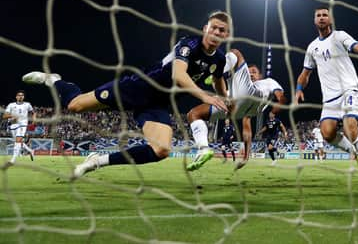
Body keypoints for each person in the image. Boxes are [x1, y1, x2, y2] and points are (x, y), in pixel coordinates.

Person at [22, 11, 231, 177]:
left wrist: (227, 99)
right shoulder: (188, 45)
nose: (217, 32)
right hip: (136, 88)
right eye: (214, 28)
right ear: (205, 29)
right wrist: (205, 96)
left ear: (226, 35)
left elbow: (218, 79)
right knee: (75, 106)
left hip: (157, 104)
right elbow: (178, 74)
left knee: (161, 150)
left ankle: (96, 161)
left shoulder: (219, 59)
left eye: (222, 30)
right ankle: (54, 80)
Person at [295, 6, 358, 189]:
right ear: (314, 20)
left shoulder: (339, 36)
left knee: (351, 129)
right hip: (330, 98)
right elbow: (305, 73)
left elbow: (354, 45)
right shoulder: (312, 48)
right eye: (318, 15)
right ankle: (355, 152)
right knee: (327, 133)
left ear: (330, 19)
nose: (321, 18)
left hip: (348, 89)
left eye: (325, 15)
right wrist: (298, 89)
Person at [186, 52, 287, 171]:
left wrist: (277, 107)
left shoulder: (268, 81)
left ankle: (216, 73)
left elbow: (281, 97)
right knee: (193, 114)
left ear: (260, 75)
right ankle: (203, 149)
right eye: (249, 72)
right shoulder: (243, 84)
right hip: (236, 104)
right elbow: (247, 130)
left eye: (254, 72)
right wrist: (245, 157)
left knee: (237, 54)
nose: (251, 74)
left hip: (250, 94)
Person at [2, 90, 36, 164]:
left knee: (17, 141)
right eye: (19, 95)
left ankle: (12, 160)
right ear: (16, 97)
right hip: (13, 125)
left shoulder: (27, 104)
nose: (20, 96)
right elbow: (4, 116)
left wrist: (33, 120)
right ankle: (30, 150)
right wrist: (12, 116)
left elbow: (33, 113)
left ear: (23, 97)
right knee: (18, 141)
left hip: (23, 124)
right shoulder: (11, 105)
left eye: (22, 95)